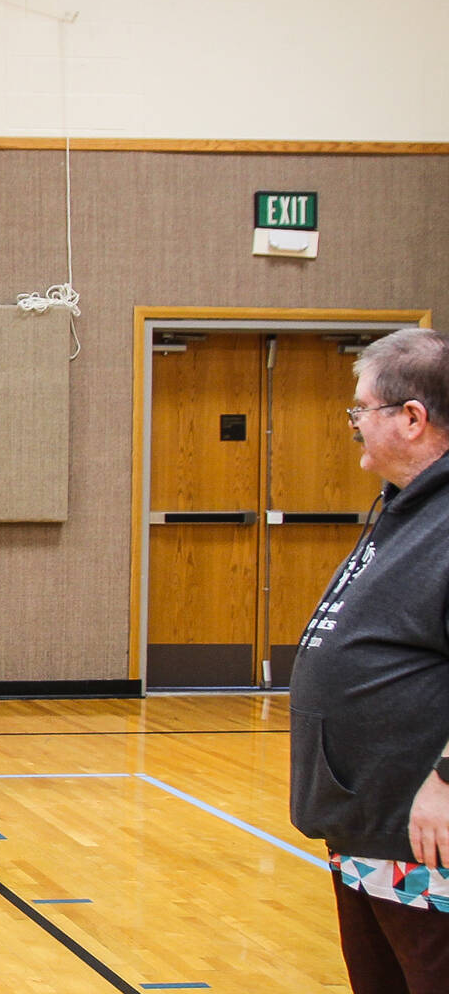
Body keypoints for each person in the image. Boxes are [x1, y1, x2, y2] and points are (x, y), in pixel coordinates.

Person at [291, 327, 449, 991]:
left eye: (361, 409)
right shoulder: (403, 509)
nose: (353, 422)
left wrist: (446, 780)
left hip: (421, 836)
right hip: (365, 828)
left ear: (410, 418)